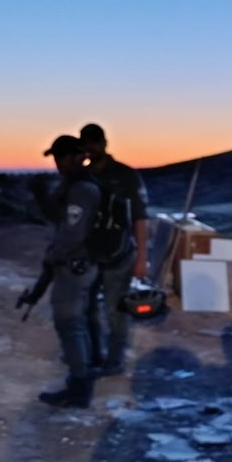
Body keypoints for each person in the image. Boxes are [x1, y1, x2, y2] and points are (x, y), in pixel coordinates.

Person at [78, 122, 149, 376]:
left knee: (115, 309)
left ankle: (115, 359)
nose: (90, 148)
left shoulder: (126, 175)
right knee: (86, 307)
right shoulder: (82, 178)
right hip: (88, 254)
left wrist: (142, 257)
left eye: (94, 142)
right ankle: (93, 354)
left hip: (118, 256)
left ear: (104, 143)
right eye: (85, 143)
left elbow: (140, 218)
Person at [36, 135, 100, 409]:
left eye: (61, 157)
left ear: (75, 157)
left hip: (75, 266)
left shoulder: (82, 189)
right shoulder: (78, 185)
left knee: (69, 325)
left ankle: (78, 388)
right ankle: (80, 382)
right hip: (81, 264)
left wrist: (53, 257)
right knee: (76, 325)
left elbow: (72, 234)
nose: (57, 163)